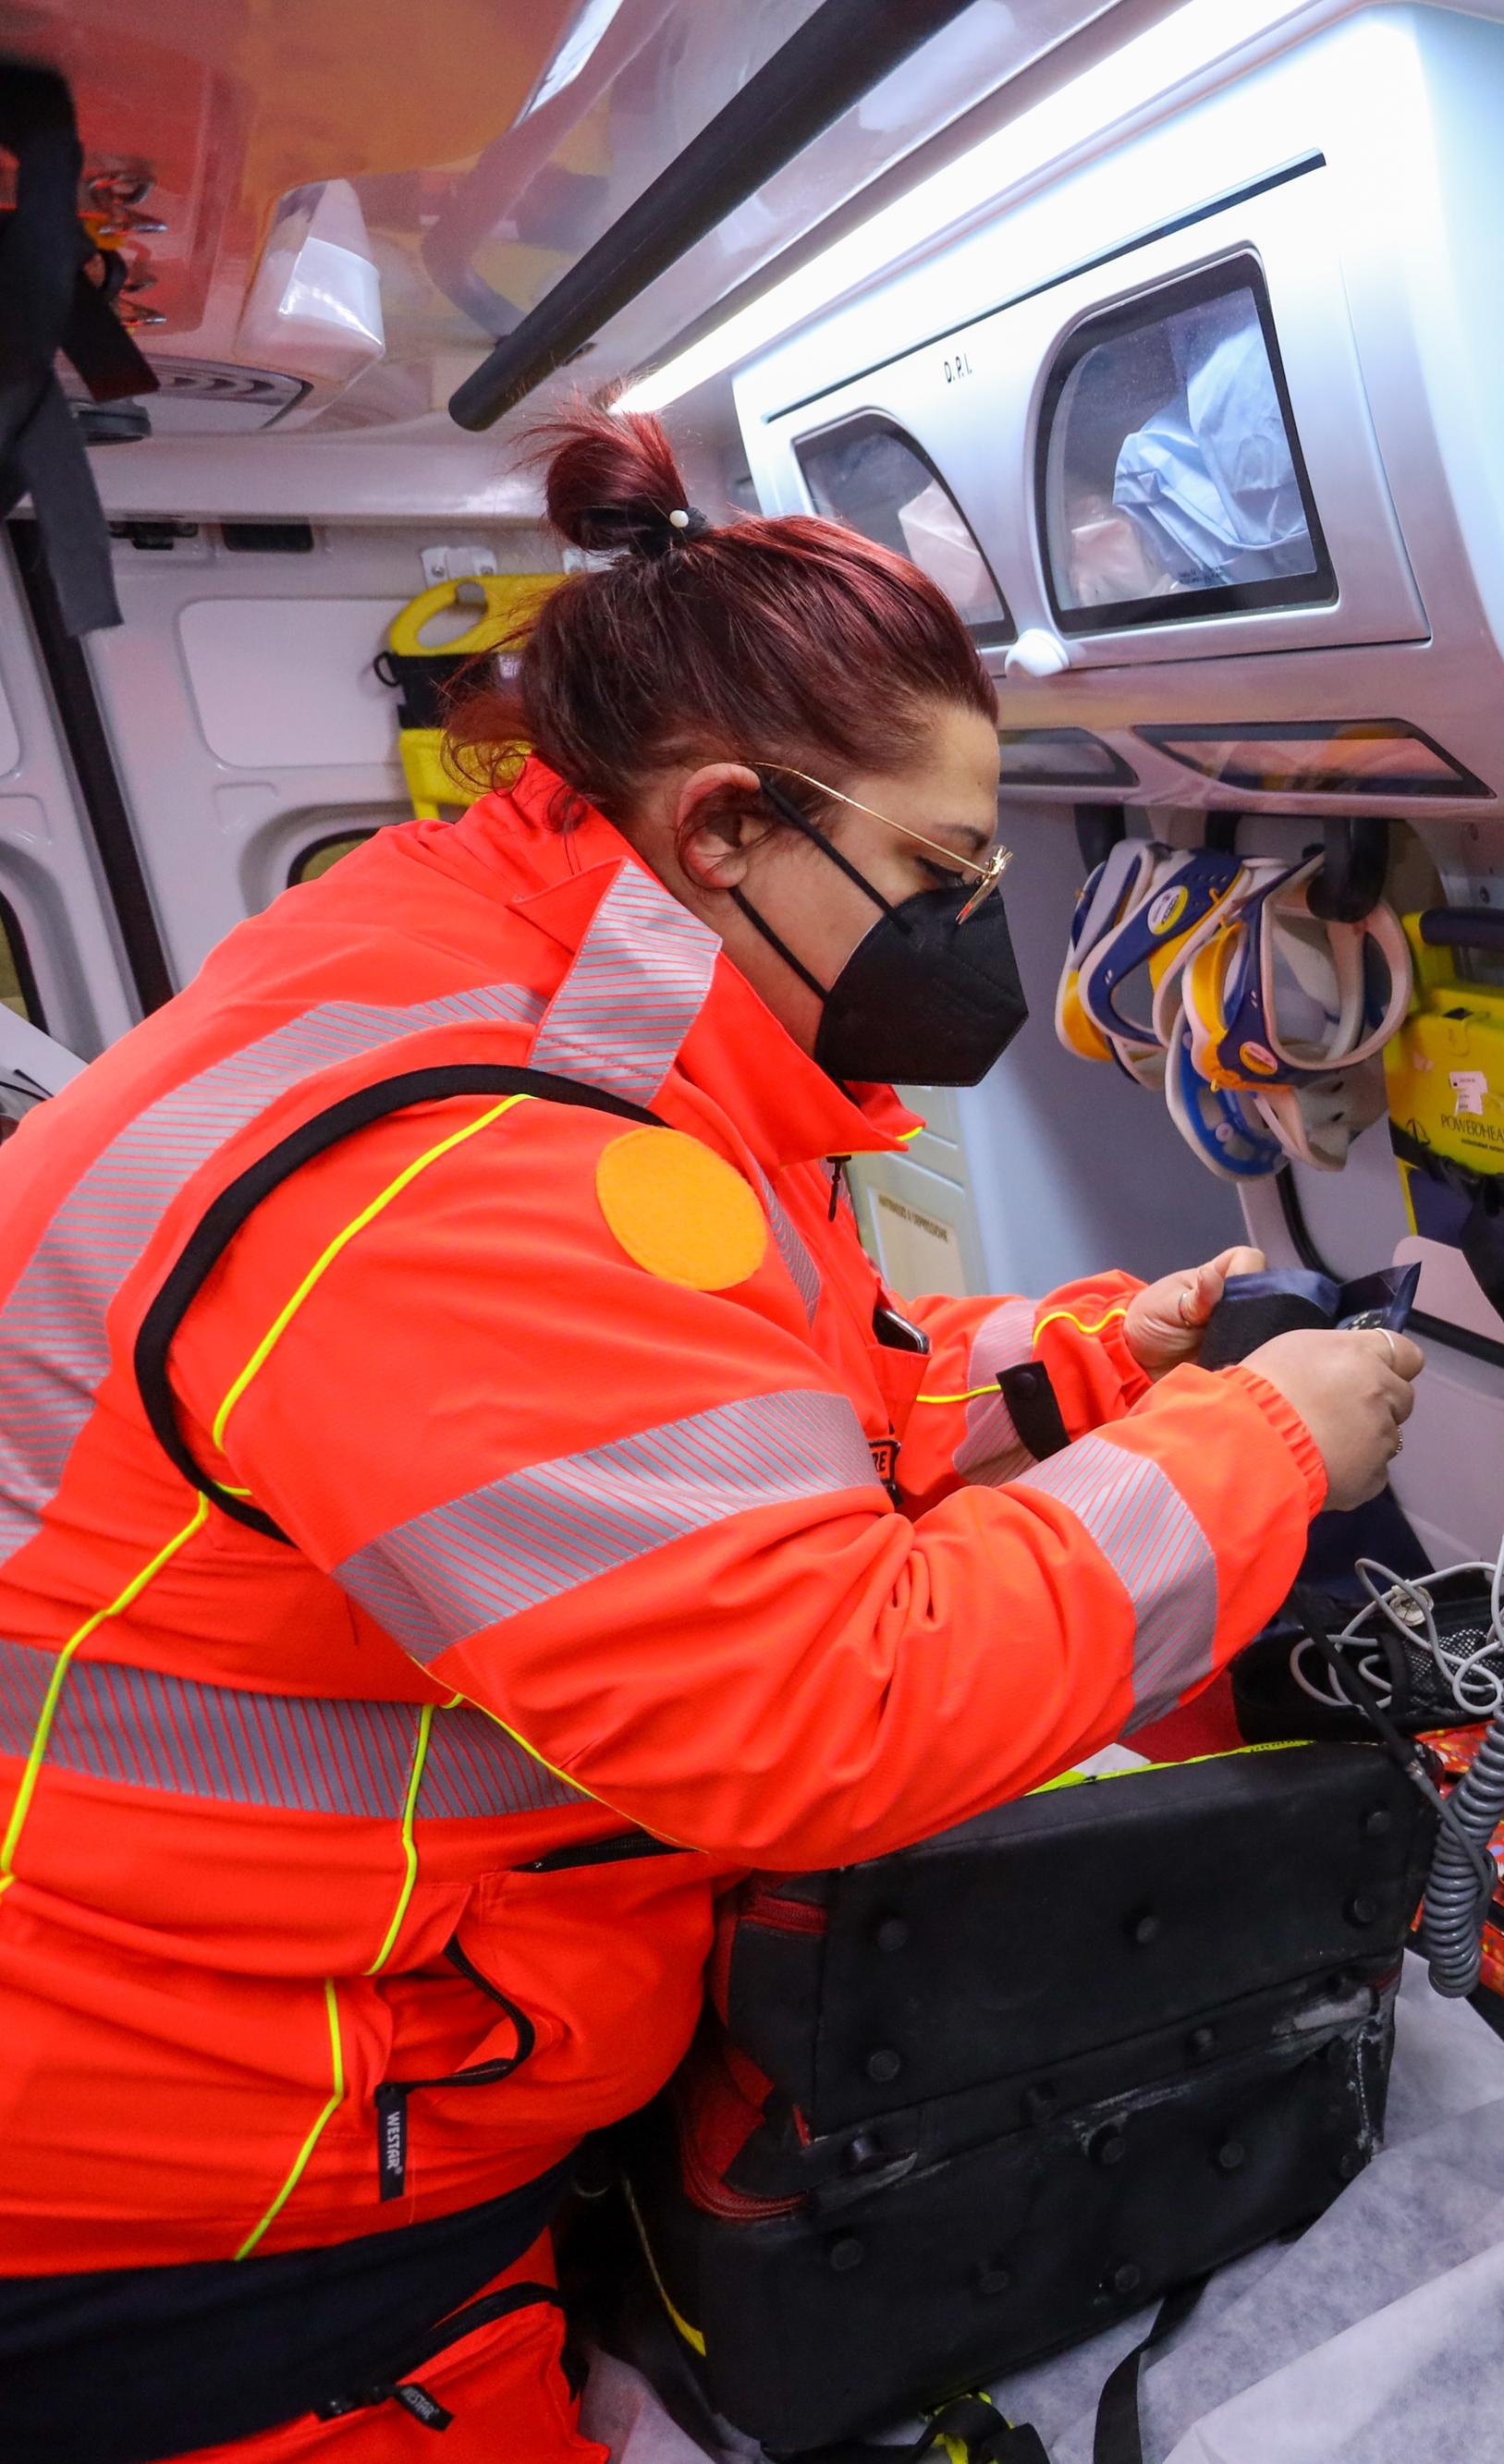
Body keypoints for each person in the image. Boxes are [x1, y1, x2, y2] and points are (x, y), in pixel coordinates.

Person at [0, 405, 1423, 2463]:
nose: (972, 932)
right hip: (201, 2187)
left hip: (292, 2067)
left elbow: (726, 1423)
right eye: (937, 869)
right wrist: (1269, 1445)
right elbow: (825, 1712)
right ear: (727, 824)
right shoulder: (477, 1156)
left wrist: (1111, 1356)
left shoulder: (515, 991)